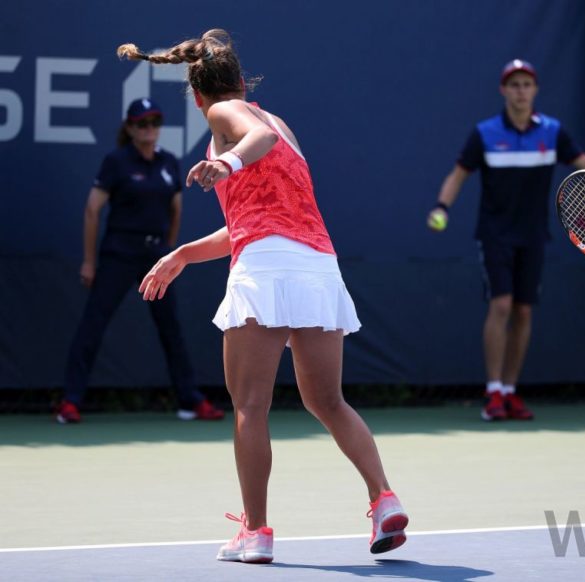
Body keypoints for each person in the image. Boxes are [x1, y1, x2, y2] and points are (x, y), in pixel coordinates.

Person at [117, 29, 408, 563]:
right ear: (241, 82)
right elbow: (252, 220)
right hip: (317, 267)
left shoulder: (226, 114)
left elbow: (256, 140)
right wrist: (183, 254)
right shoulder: (281, 124)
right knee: (328, 401)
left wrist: (225, 163)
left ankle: (255, 532)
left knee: (250, 407)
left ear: (199, 96)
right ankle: (383, 498)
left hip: (268, 268)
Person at [427, 59, 585, 422]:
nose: (521, 91)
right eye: (514, 85)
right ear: (503, 90)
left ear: (535, 90)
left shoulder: (552, 131)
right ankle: (493, 392)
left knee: (523, 310)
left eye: (526, 85)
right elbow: (457, 176)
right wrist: (442, 207)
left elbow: (584, 162)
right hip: (495, 235)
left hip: (533, 235)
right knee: (501, 305)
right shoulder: (485, 133)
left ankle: (510, 391)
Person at [56, 98, 224, 424]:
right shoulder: (116, 162)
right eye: (142, 123)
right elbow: (92, 210)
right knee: (93, 326)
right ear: (130, 128)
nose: (150, 129)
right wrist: (89, 261)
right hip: (119, 254)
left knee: (171, 330)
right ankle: (70, 402)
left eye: (155, 122)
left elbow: (175, 209)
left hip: (154, 256)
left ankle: (190, 401)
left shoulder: (168, 162)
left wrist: (168, 251)